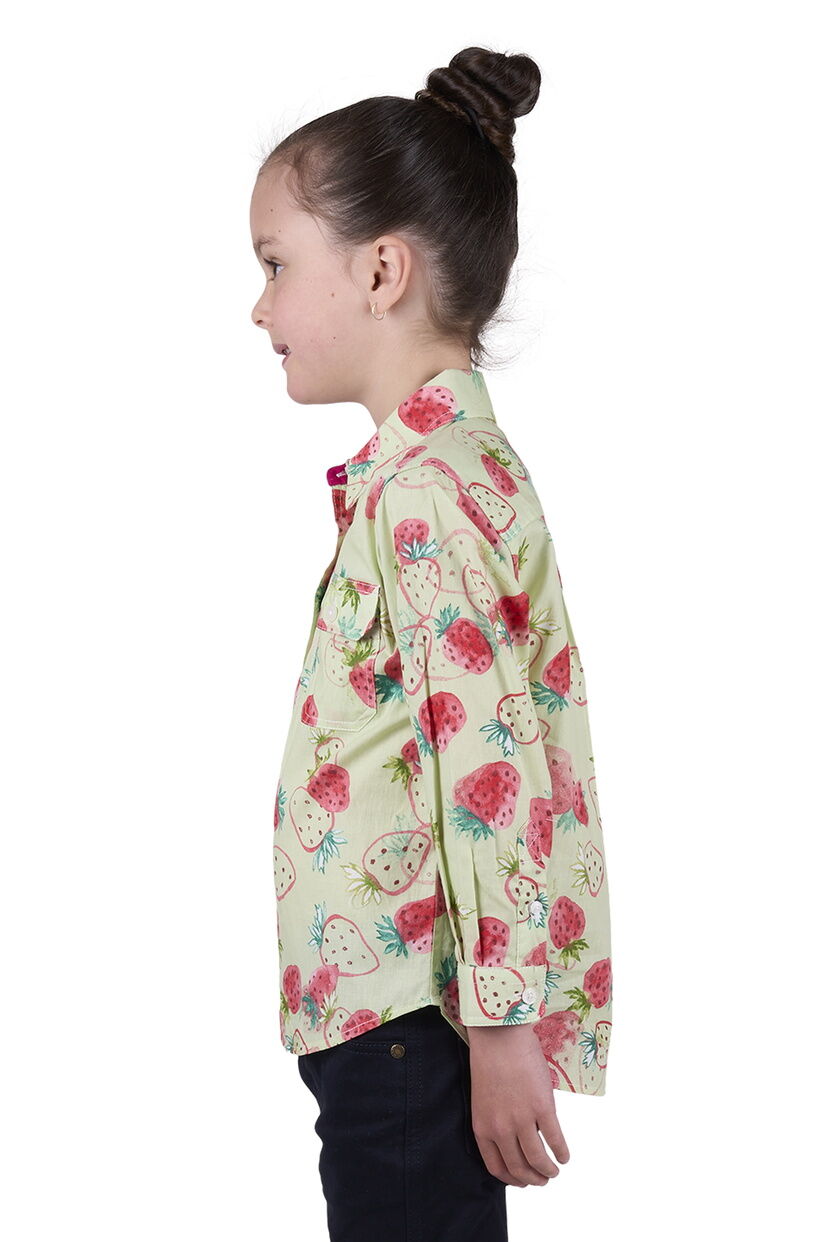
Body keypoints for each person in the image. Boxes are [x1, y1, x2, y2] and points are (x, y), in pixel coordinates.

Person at [250, 45, 613, 1242]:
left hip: (415, 1023)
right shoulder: (450, 471)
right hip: (404, 1017)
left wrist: (500, 1027)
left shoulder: (423, 492)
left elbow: (486, 760)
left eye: (274, 265)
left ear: (380, 270)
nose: (259, 308)